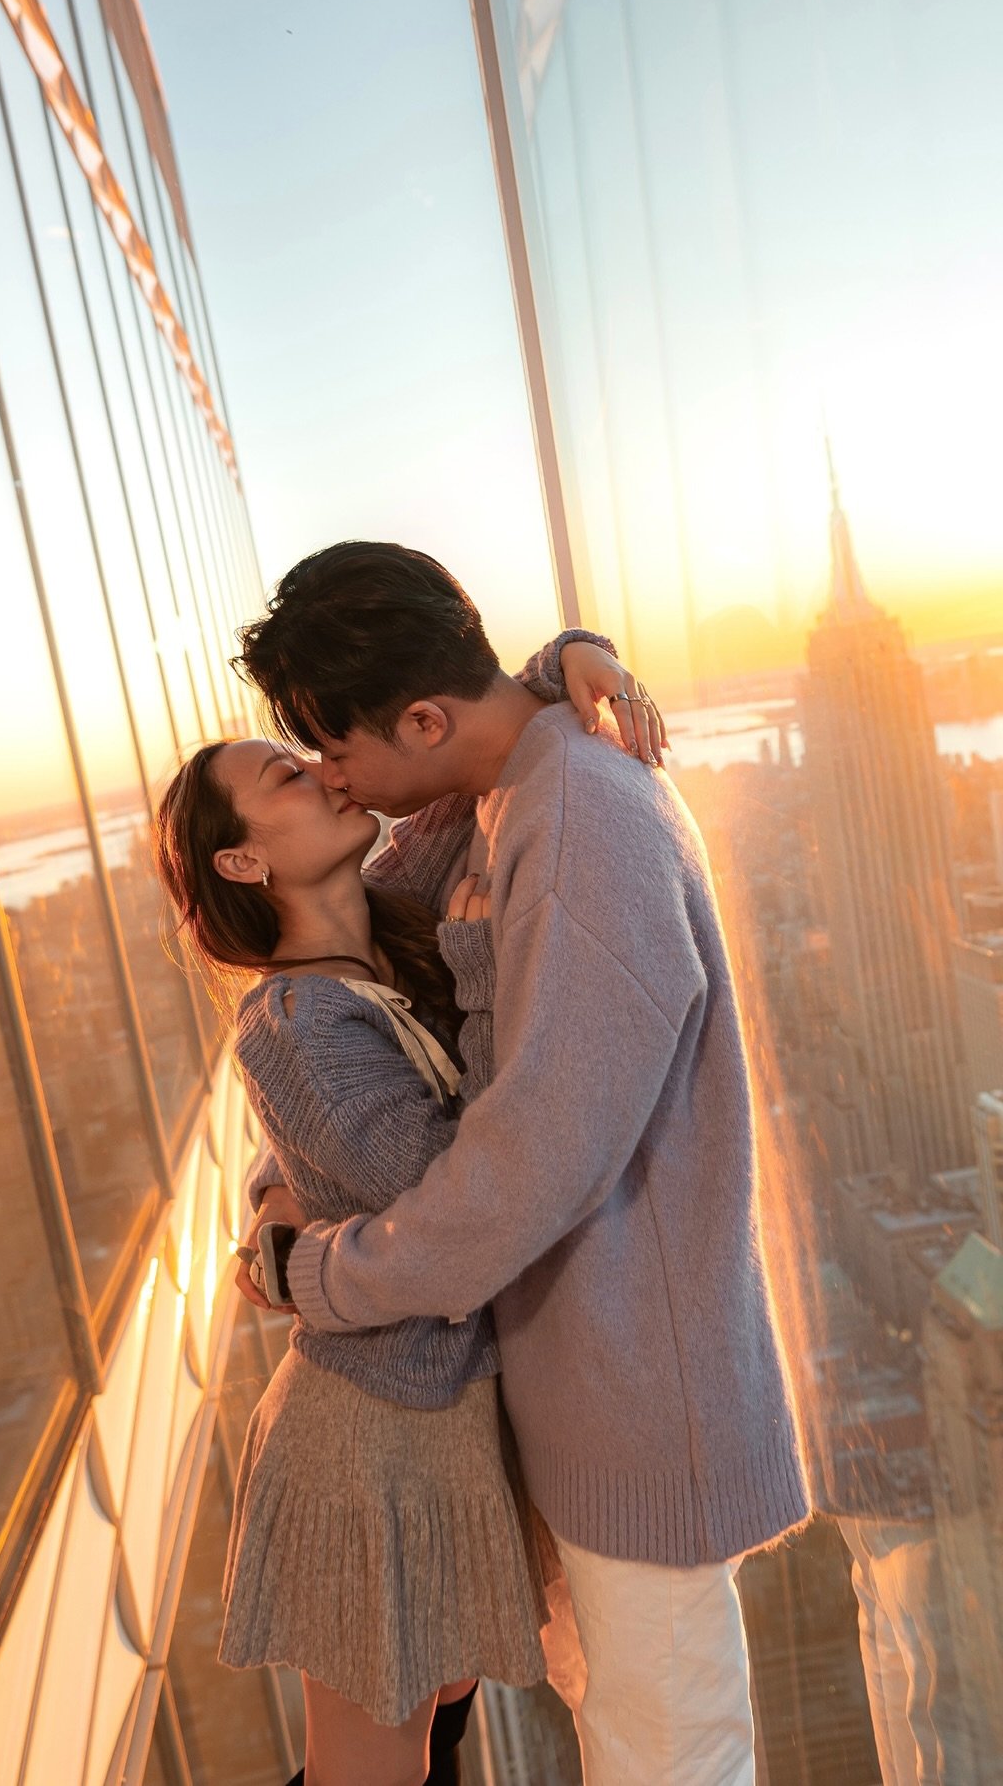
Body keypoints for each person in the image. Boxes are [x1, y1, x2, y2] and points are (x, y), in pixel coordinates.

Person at [238, 540, 811, 1786]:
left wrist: (323, 1276)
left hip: (640, 1400)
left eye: (338, 749)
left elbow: (530, 1163)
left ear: (426, 719)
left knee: (670, 1754)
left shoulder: (586, 825)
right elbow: (338, 983)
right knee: (630, 1736)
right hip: (584, 1382)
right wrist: (563, 663)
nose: (334, 778)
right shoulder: (503, 790)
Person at [154, 621, 645, 1786]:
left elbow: (460, 746)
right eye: (284, 775)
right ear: (242, 862)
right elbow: (457, 1208)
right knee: (371, 1770)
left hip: (438, 1421)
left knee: (437, 1726)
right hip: (368, 1442)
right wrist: (293, 1257)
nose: (322, 770)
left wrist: (564, 655)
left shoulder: (378, 917)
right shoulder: (299, 1023)